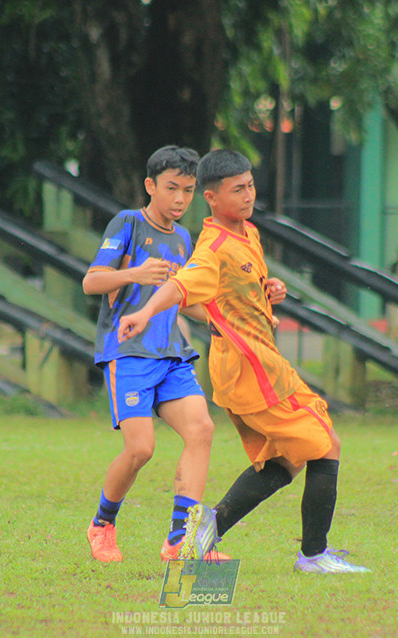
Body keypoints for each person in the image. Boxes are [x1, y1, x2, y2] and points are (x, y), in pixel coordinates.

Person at [118, 149, 369, 573]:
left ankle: (203, 533)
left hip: (261, 362)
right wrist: (144, 313)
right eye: (238, 190)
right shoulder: (212, 248)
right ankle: (313, 555)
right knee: (326, 444)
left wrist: (268, 290)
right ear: (212, 198)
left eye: (250, 186)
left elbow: (239, 289)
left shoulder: (247, 233)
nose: (249, 195)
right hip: (248, 367)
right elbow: (181, 286)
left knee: (286, 460)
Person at [83, 145, 224, 563]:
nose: (180, 199)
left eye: (188, 190)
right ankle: (102, 523)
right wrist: (135, 274)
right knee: (140, 449)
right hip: (127, 353)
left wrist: (230, 319)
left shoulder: (183, 239)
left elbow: (184, 298)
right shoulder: (128, 223)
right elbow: (92, 281)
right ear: (150, 186)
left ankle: (180, 539)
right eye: (171, 188)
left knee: (201, 429)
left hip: (172, 355)